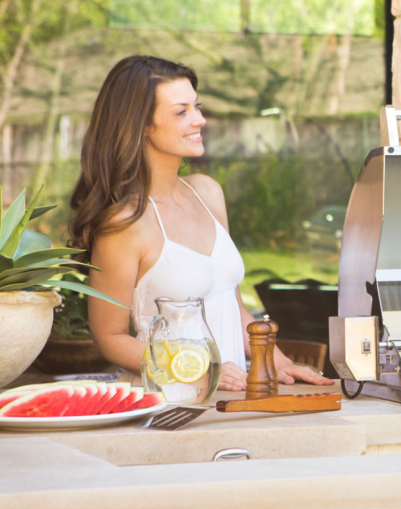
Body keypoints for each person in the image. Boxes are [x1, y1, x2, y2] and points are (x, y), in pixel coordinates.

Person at [68, 56, 334, 391]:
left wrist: (280, 363)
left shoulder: (207, 192)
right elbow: (110, 337)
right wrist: (192, 371)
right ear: (141, 126)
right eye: (182, 111)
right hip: (167, 403)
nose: (200, 119)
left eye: (197, 106)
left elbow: (231, 305)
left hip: (230, 401)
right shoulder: (125, 223)